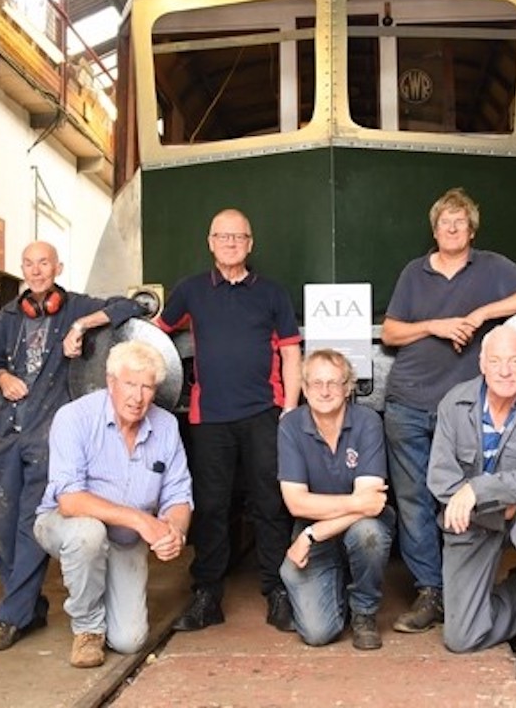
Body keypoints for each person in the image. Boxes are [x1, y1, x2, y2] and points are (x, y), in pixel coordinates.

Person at [381, 187, 516, 634]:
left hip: (462, 411)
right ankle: (429, 591)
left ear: (471, 230)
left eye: (459, 222)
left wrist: (482, 314)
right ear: (434, 230)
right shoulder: (413, 273)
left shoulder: (492, 267)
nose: (451, 229)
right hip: (409, 402)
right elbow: (391, 333)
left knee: (465, 495)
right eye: (444, 223)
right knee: (415, 501)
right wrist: (434, 326)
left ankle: (466, 588)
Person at [0, 240, 145, 651]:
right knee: (0, 525)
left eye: (44, 263)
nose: (37, 271)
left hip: (47, 431)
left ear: (58, 267)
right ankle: (28, 607)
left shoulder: (75, 307)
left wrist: (82, 325)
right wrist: (2, 379)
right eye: (29, 264)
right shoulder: (5, 318)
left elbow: (135, 304)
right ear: (22, 268)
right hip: (4, 429)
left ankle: (10, 616)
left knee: (29, 524)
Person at [157, 208, 302, 633]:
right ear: (210, 242)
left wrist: (290, 410)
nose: (230, 243)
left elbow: (291, 352)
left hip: (264, 413)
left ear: (250, 244)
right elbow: (156, 332)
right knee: (212, 507)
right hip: (210, 418)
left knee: (270, 504)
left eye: (238, 237)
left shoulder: (272, 293)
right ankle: (207, 596)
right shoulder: (191, 291)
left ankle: (277, 592)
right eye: (222, 236)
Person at [33, 340, 193, 668]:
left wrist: (173, 531)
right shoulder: (74, 417)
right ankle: (88, 628)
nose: (137, 397)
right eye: (130, 384)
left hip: (124, 538)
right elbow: (70, 500)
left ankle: (98, 588)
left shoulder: (166, 426)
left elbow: (178, 496)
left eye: (147, 387)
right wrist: (142, 521)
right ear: (110, 382)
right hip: (64, 523)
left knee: (129, 640)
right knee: (88, 535)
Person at [428, 324, 516, 683]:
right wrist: (494, 503)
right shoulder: (454, 404)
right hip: (476, 519)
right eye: (497, 361)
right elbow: (441, 481)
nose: (506, 370)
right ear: (482, 365)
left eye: (514, 360)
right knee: (461, 638)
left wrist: (481, 488)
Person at [277, 350, 394, 650]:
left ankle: (364, 612)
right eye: (316, 383)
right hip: (317, 531)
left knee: (369, 533)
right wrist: (355, 503)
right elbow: (297, 504)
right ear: (304, 389)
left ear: (347, 387)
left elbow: (372, 507)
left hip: (342, 529)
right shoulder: (290, 426)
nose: (325, 391)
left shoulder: (367, 421)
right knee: (317, 634)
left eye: (333, 382)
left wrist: (311, 533)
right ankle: (333, 589)